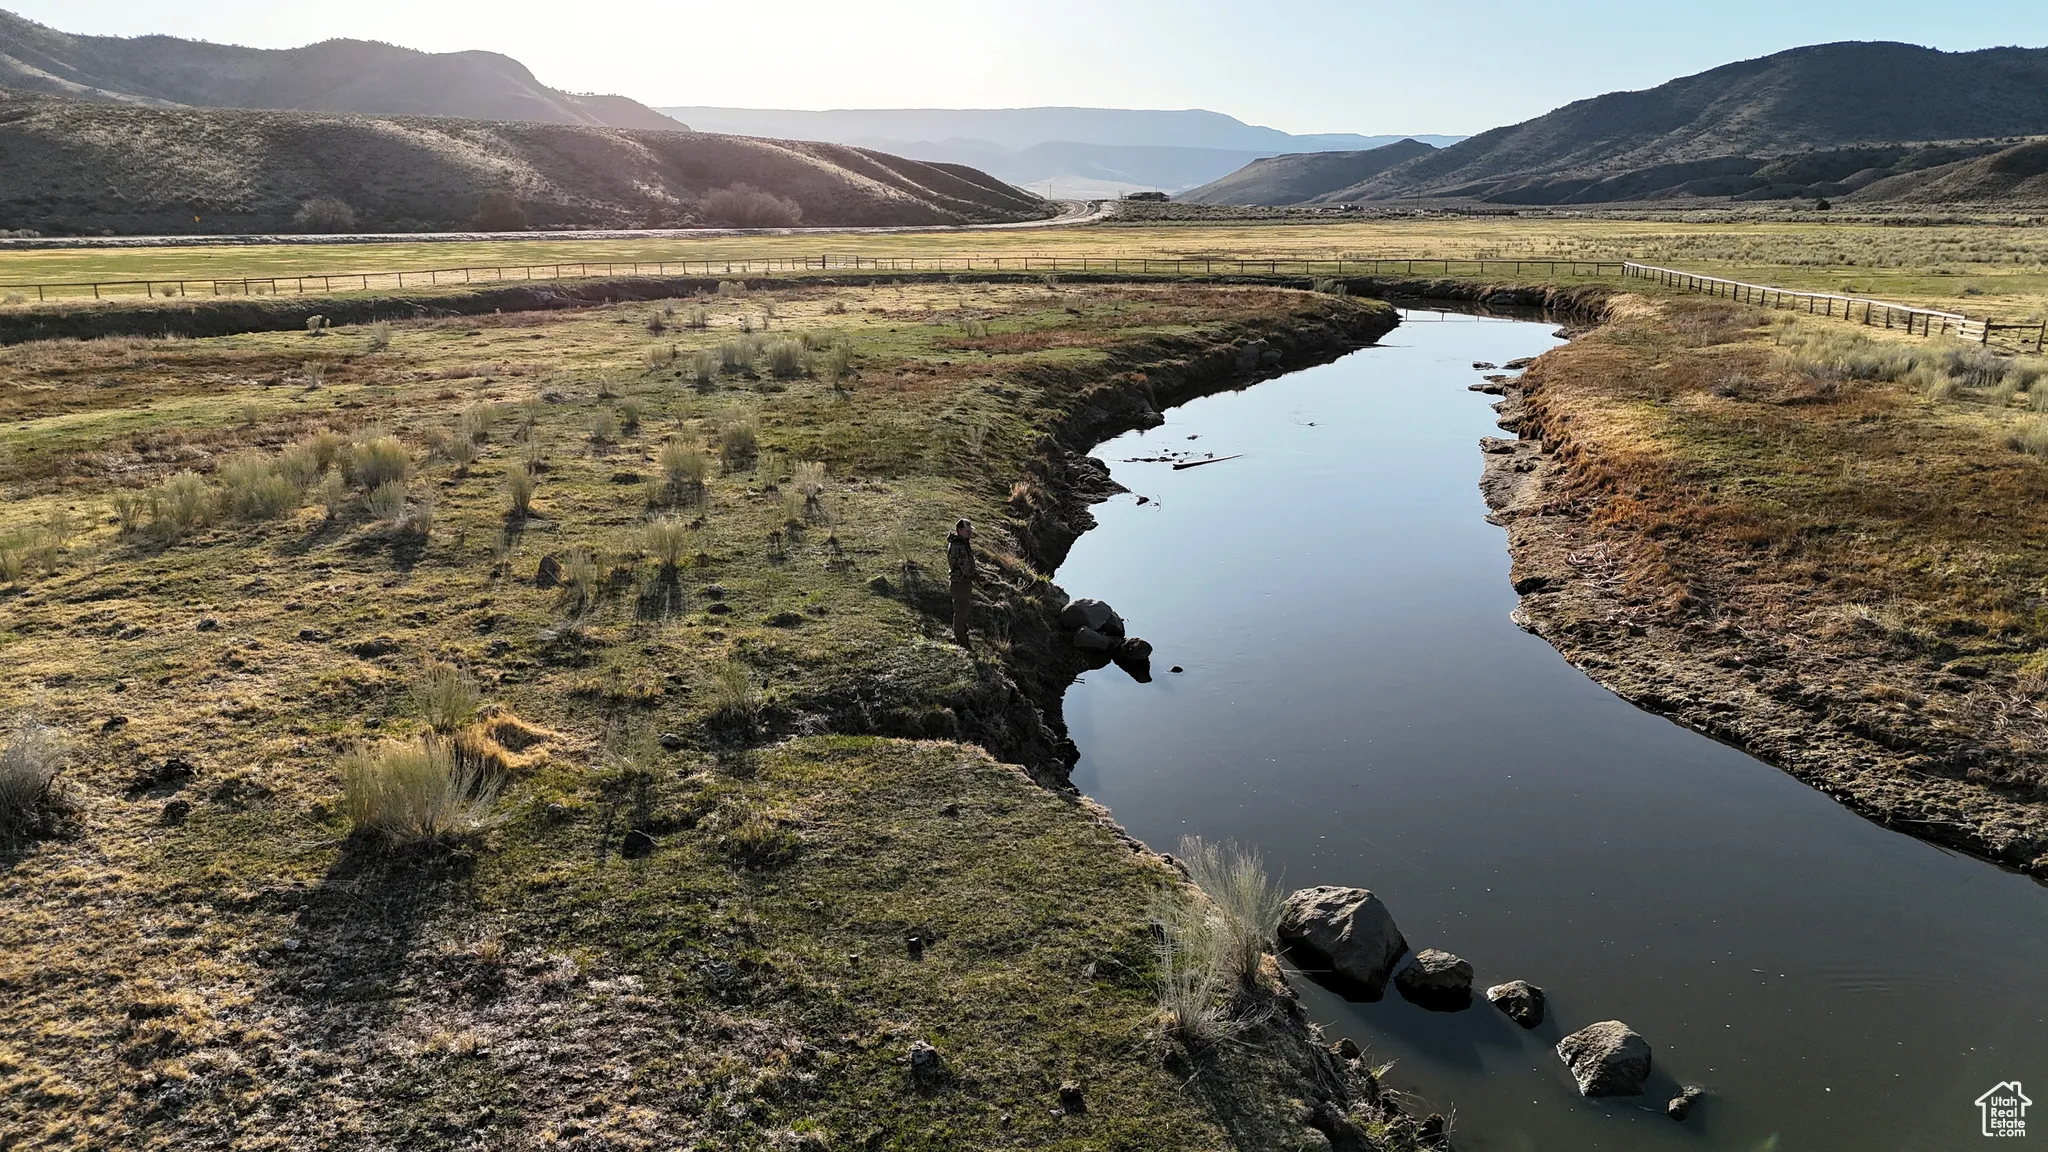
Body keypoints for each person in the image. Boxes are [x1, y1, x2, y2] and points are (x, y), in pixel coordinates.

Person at [946, 518, 975, 646]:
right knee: (960, 612)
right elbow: (966, 567)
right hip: (960, 583)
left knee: (964, 610)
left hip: (963, 582)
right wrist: (978, 578)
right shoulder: (959, 546)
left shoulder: (963, 544)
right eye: (967, 531)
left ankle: (963, 637)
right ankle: (961, 640)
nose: (969, 533)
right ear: (959, 531)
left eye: (970, 531)